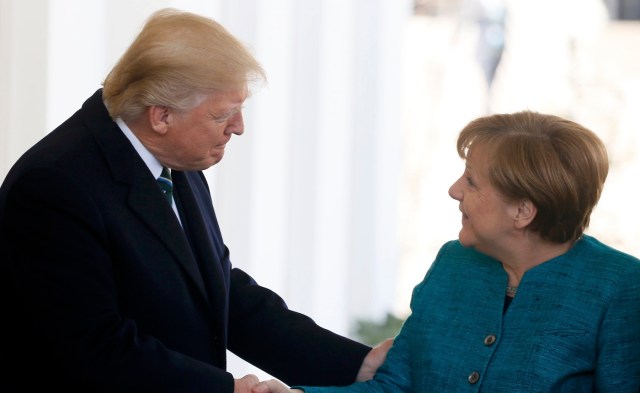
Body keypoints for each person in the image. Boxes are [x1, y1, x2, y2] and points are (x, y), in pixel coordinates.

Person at [0, 8, 391, 393]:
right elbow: (95, 347)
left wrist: (354, 364)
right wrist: (227, 389)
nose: (238, 128)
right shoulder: (54, 186)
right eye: (224, 114)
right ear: (162, 116)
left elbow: (219, 295)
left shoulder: (173, 158)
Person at [253, 110, 640, 392]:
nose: (454, 190)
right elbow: (395, 387)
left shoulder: (621, 287)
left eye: (471, 181)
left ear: (522, 211)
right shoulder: (454, 264)